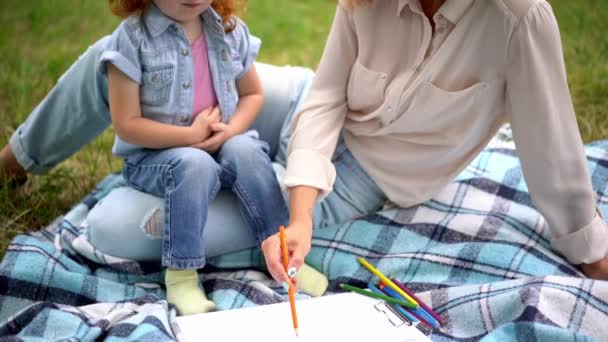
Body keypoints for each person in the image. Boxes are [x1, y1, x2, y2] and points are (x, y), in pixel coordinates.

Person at [259, 0, 608, 285]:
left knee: (211, 229)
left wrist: (590, 251)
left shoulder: (518, 18)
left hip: (360, 177)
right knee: (207, 89)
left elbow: (550, 148)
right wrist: (300, 214)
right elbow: (325, 97)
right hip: (299, 102)